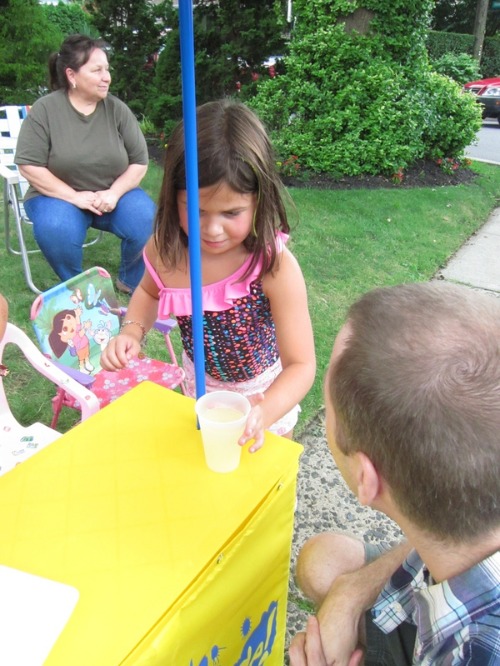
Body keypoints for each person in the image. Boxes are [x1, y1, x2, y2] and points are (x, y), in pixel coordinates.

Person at [289, 282, 500, 665]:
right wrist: (351, 592)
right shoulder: (465, 513)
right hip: (437, 597)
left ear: (368, 479)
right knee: (324, 563)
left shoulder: (477, 654)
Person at [101, 99, 316, 450]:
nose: (212, 229)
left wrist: (267, 410)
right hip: (200, 390)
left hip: (263, 398)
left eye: (232, 212)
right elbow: (148, 293)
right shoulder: (166, 249)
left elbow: (302, 364)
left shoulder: (272, 265)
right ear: (174, 197)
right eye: (197, 210)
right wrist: (132, 331)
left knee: (264, 486)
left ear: (259, 201)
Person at [15, 34, 155, 294]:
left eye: (107, 70)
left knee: (146, 217)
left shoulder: (117, 109)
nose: (107, 77)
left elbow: (139, 162)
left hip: (110, 195)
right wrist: (75, 197)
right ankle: (78, 287)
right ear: (72, 75)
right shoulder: (45, 110)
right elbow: (29, 166)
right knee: (57, 228)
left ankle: (131, 280)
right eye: (97, 70)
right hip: (57, 197)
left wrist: (114, 193)